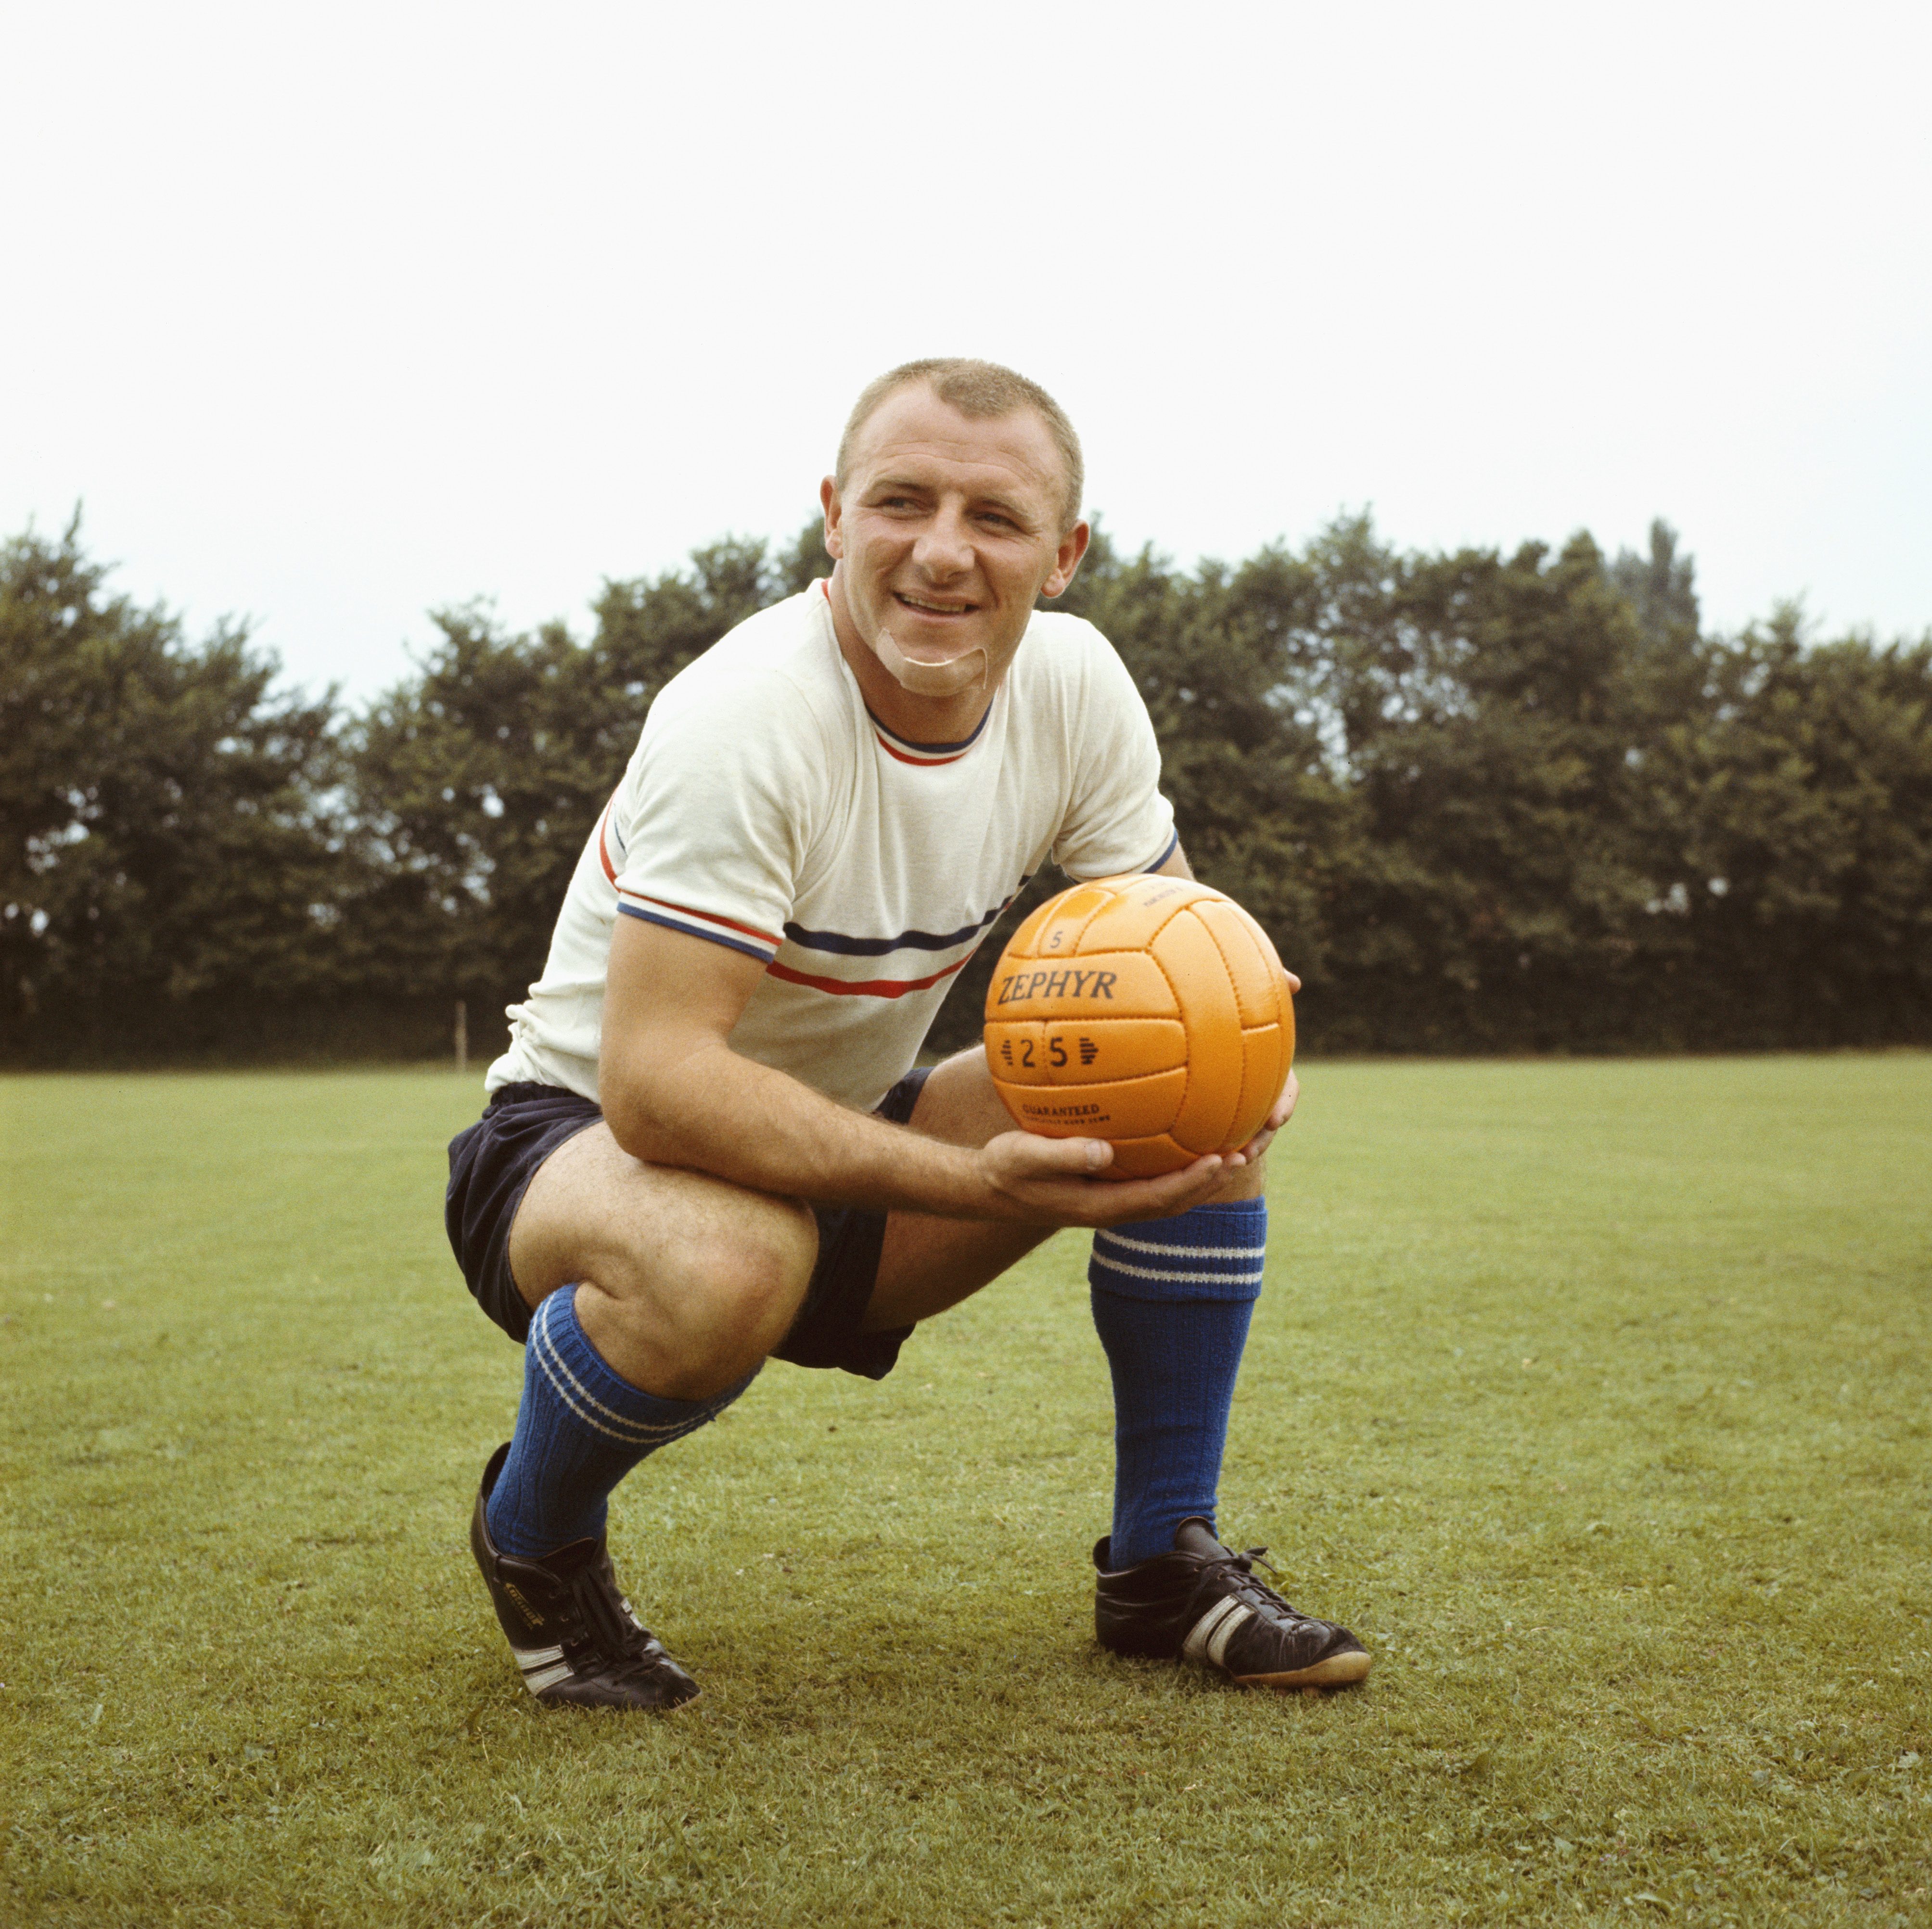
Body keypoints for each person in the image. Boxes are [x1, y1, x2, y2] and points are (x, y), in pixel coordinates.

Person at [444, 358, 1372, 1710]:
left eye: (995, 518)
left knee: (1195, 1081)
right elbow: (655, 1087)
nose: (943, 553)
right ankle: (533, 1534)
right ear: (833, 516)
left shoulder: (1077, 688)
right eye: (902, 502)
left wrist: (1244, 1030)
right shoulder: (747, 711)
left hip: (841, 1150)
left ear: (1065, 555)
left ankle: (1161, 1559)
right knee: (727, 1254)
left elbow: (1185, 947)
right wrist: (964, 1179)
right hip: (575, 1147)